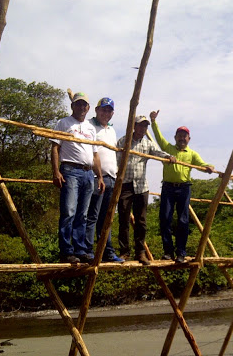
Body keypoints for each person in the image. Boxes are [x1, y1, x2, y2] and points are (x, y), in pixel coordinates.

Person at [149, 110, 214, 263]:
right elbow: (158, 136)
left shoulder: (192, 154)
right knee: (165, 218)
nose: (182, 138)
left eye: (184, 136)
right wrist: (153, 121)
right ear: (175, 138)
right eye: (179, 135)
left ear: (188, 139)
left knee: (183, 220)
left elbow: (202, 165)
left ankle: (181, 253)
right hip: (168, 188)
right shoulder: (168, 148)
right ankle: (168, 252)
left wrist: (209, 167)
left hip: (184, 188)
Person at [50, 92, 104, 263]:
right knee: (69, 211)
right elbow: (55, 148)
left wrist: (99, 176)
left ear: (88, 108)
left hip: (88, 173)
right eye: (78, 104)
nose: (81, 107)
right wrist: (56, 171)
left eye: (84, 105)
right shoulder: (63, 123)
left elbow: (95, 155)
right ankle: (66, 251)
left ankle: (80, 250)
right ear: (72, 106)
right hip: (70, 170)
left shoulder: (90, 128)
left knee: (83, 214)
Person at [116, 115, 176, 265]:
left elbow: (158, 152)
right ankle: (124, 251)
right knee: (123, 219)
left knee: (141, 221)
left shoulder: (147, 144)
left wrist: (169, 156)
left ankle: (140, 252)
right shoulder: (124, 141)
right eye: (140, 125)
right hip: (125, 184)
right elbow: (116, 160)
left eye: (145, 126)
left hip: (141, 186)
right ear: (134, 126)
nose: (143, 128)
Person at [85, 97, 124, 263]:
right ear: (96, 110)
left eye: (109, 110)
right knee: (92, 215)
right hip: (96, 177)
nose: (106, 113)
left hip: (111, 178)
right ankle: (87, 251)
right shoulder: (89, 125)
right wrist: (98, 174)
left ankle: (107, 251)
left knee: (107, 218)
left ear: (112, 113)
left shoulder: (111, 130)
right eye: (103, 109)